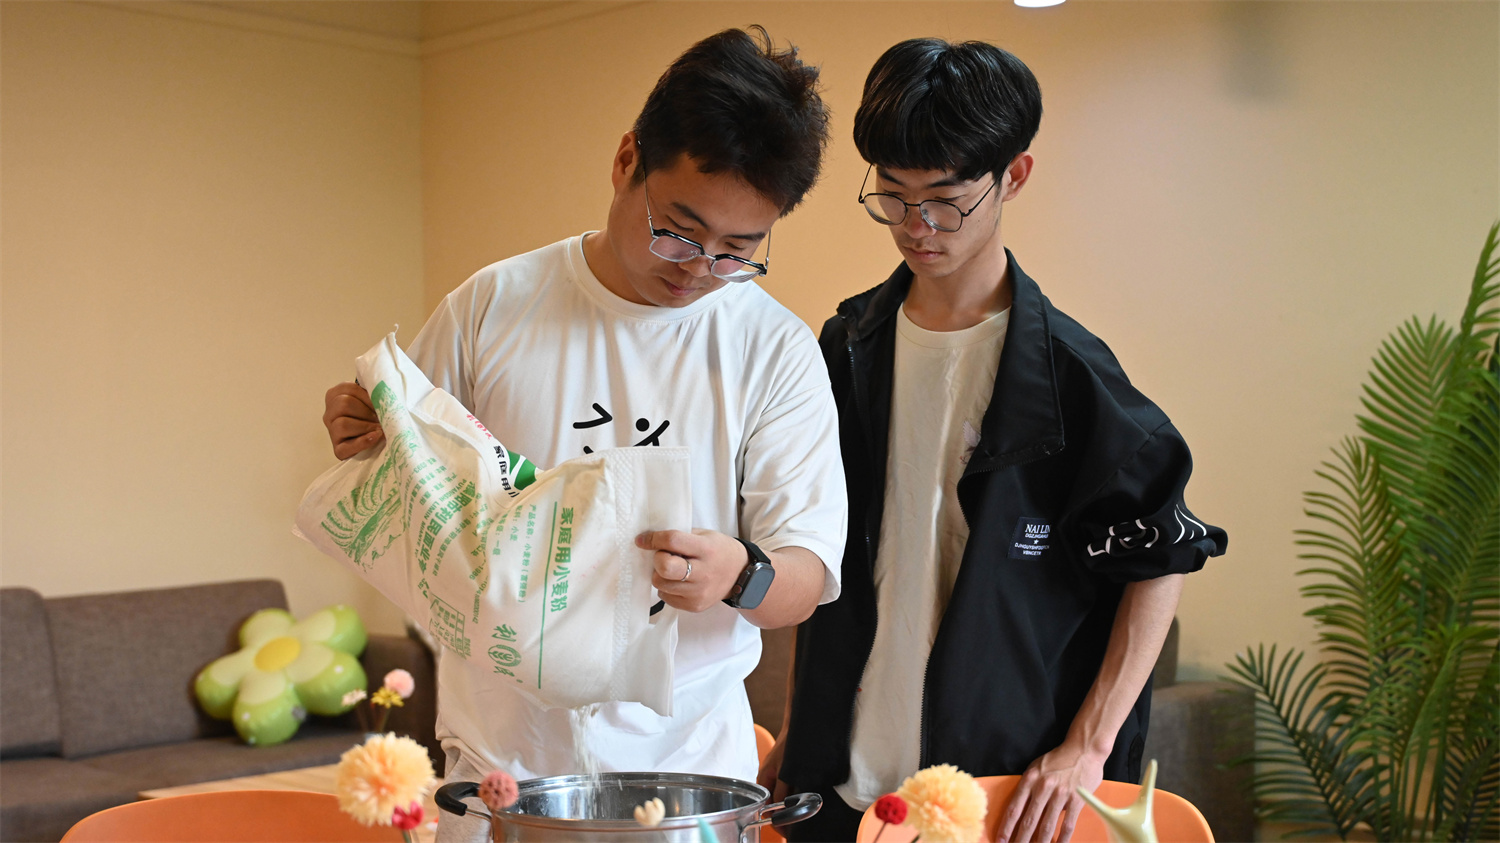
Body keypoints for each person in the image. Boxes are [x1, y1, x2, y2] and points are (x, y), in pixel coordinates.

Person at [321, 27, 846, 841]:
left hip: (691, 773)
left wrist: (738, 573)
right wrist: (362, 425)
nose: (697, 267)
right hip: (502, 763)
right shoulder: (495, 305)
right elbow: (410, 471)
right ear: (627, 159)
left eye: (736, 252)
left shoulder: (772, 348)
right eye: (678, 230)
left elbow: (804, 577)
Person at [762, 38, 1227, 843]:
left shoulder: (1069, 376)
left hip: (992, 790)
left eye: (946, 199)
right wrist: (800, 724)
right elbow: (824, 553)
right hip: (839, 782)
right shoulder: (846, 347)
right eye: (893, 196)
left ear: (1014, 175)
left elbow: (1162, 556)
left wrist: (1088, 747)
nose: (917, 226)